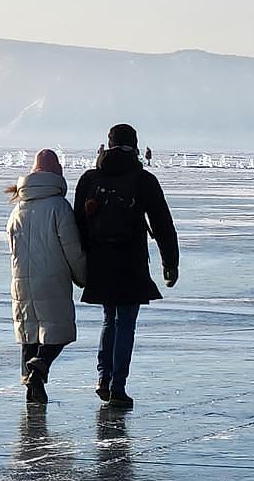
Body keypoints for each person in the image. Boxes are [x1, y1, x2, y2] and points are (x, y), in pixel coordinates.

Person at [74, 122, 179, 410]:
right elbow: (162, 224)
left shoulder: (90, 179)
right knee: (126, 322)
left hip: (99, 261)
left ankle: (103, 378)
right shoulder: (143, 179)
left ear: (107, 145)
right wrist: (170, 264)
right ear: (135, 145)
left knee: (110, 319)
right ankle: (118, 386)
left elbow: (77, 225)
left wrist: (78, 264)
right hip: (130, 261)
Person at [7, 148, 87, 404]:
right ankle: (40, 366)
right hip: (52, 280)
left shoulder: (18, 210)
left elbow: (13, 249)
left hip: (21, 281)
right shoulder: (59, 207)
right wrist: (83, 276)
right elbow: (72, 248)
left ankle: (32, 387)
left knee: (29, 334)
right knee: (58, 332)